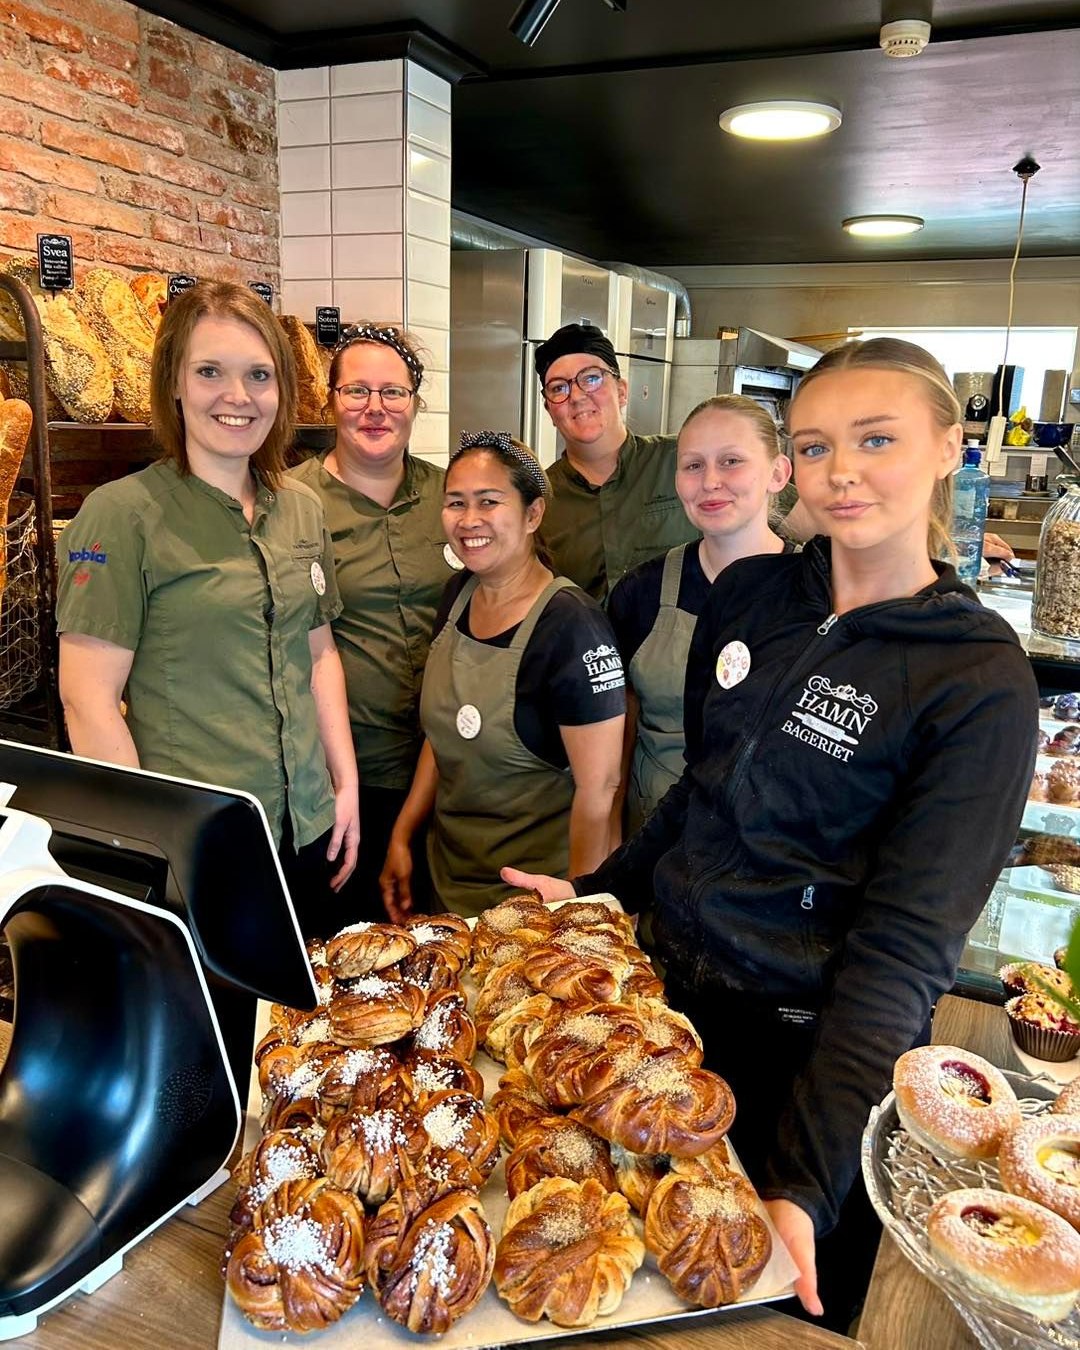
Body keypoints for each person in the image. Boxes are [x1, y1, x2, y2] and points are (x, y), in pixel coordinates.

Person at [503, 338, 1038, 1328]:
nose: (843, 472)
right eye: (818, 444)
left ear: (949, 449)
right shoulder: (756, 597)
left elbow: (903, 957)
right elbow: (701, 796)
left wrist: (807, 1177)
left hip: (809, 1064)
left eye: (876, 439)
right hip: (664, 1021)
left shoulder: (977, 681)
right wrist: (605, 891)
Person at [56, 280, 359, 937]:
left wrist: (345, 785)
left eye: (258, 375)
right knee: (220, 1034)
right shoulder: (121, 515)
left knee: (300, 1030)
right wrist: (149, 841)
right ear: (174, 384)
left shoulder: (302, 509)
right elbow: (88, 699)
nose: (237, 396)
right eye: (210, 372)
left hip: (308, 829)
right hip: (198, 848)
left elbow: (319, 655)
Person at [381, 431, 626, 921]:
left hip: (530, 905)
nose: (469, 520)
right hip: (447, 881)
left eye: (489, 502)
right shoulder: (457, 595)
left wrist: (575, 906)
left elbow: (600, 789)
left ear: (533, 515)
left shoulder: (570, 626)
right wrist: (402, 834)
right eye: (456, 503)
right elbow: (444, 734)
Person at [291, 323, 455, 919]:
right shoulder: (291, 503)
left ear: (416, 400)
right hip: (348, 780)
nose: (375, 409)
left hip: (454, 771)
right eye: (356, 391)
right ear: (330, 400)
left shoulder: (452, 496)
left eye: (394, 392)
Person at [608, 394, 795, 831]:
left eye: (731, 461)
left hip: (769, 855)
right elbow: (619, 731)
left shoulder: (817, 594)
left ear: (778, 473)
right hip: (653, 844)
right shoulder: (641, 592)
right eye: (693, 465)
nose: (710, 481)